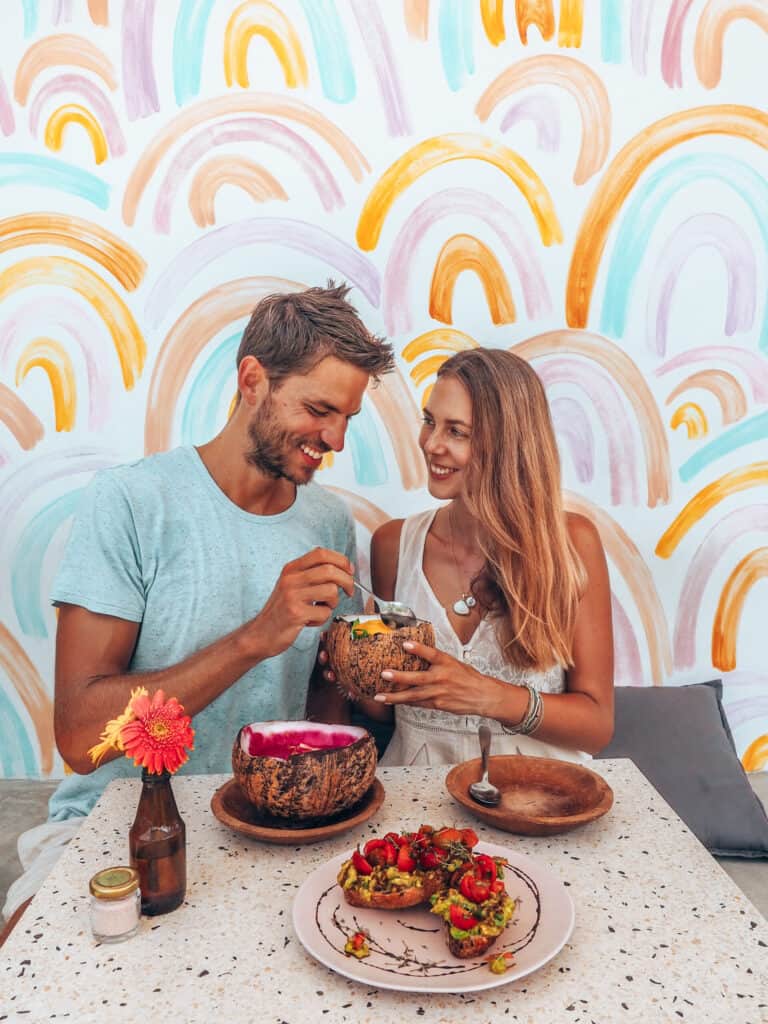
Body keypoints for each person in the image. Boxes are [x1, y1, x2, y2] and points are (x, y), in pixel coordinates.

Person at [1, 282, 394, 926]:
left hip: (266, 821)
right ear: (252, 380)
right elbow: (79, 737)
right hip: (122, 823)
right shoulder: (130, 502)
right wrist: (253, 639)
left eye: (348, 418)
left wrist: (374, 677)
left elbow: (319, 709)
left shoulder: (327, 519)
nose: (336, 439)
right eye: (320, 409)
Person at [342, 347, 614, 766]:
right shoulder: (393, 544)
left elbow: (596, 728)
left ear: (508, 445)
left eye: (457, 432)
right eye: (430, 422)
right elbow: (388, 707)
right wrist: (350, 670)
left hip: (537, 797)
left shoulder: (572, 543)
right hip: (417, 797)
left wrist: (490, 696)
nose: (432, 445)